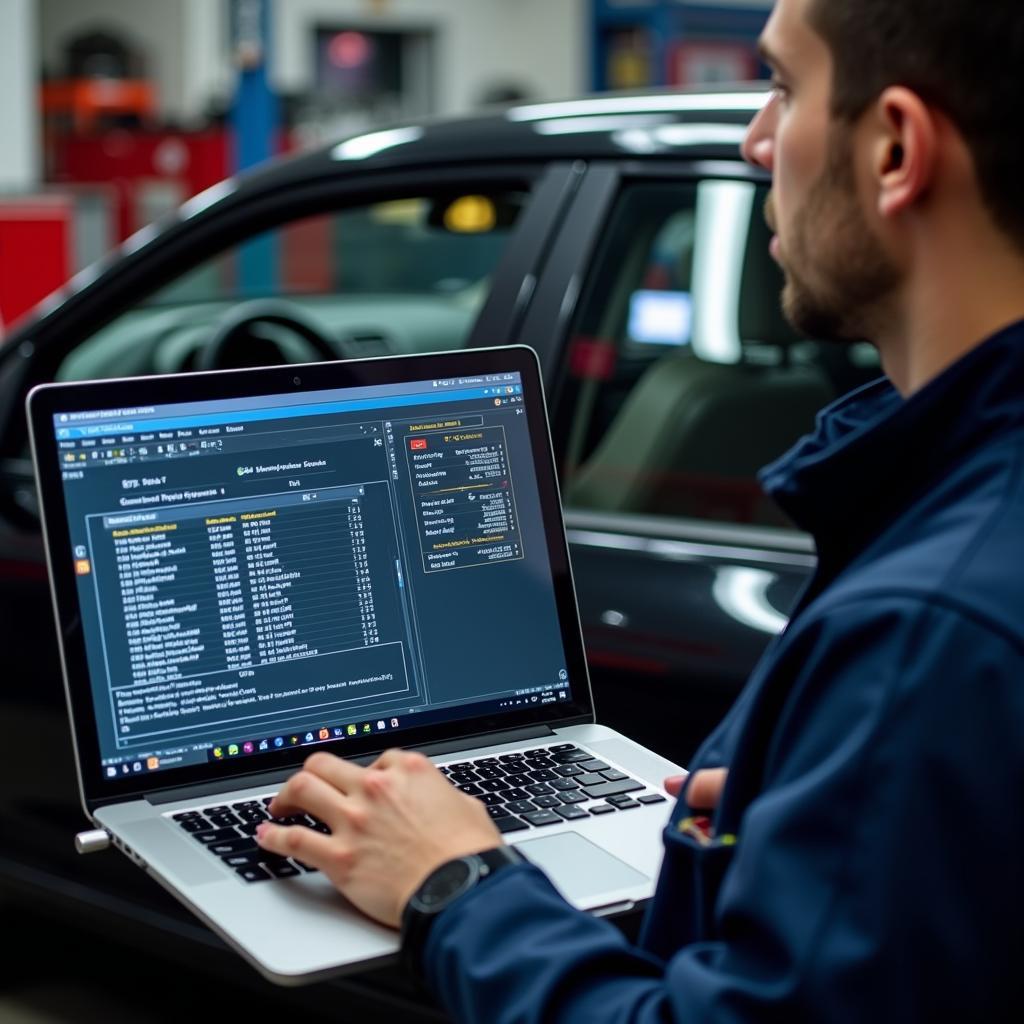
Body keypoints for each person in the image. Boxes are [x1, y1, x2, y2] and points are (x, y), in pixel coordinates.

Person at [256, 0, 1024, 1017]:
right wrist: (820, 824)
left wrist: (456, 886)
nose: (755, 141)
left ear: (894, 148)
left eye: (784, 88)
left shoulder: (925, 633)